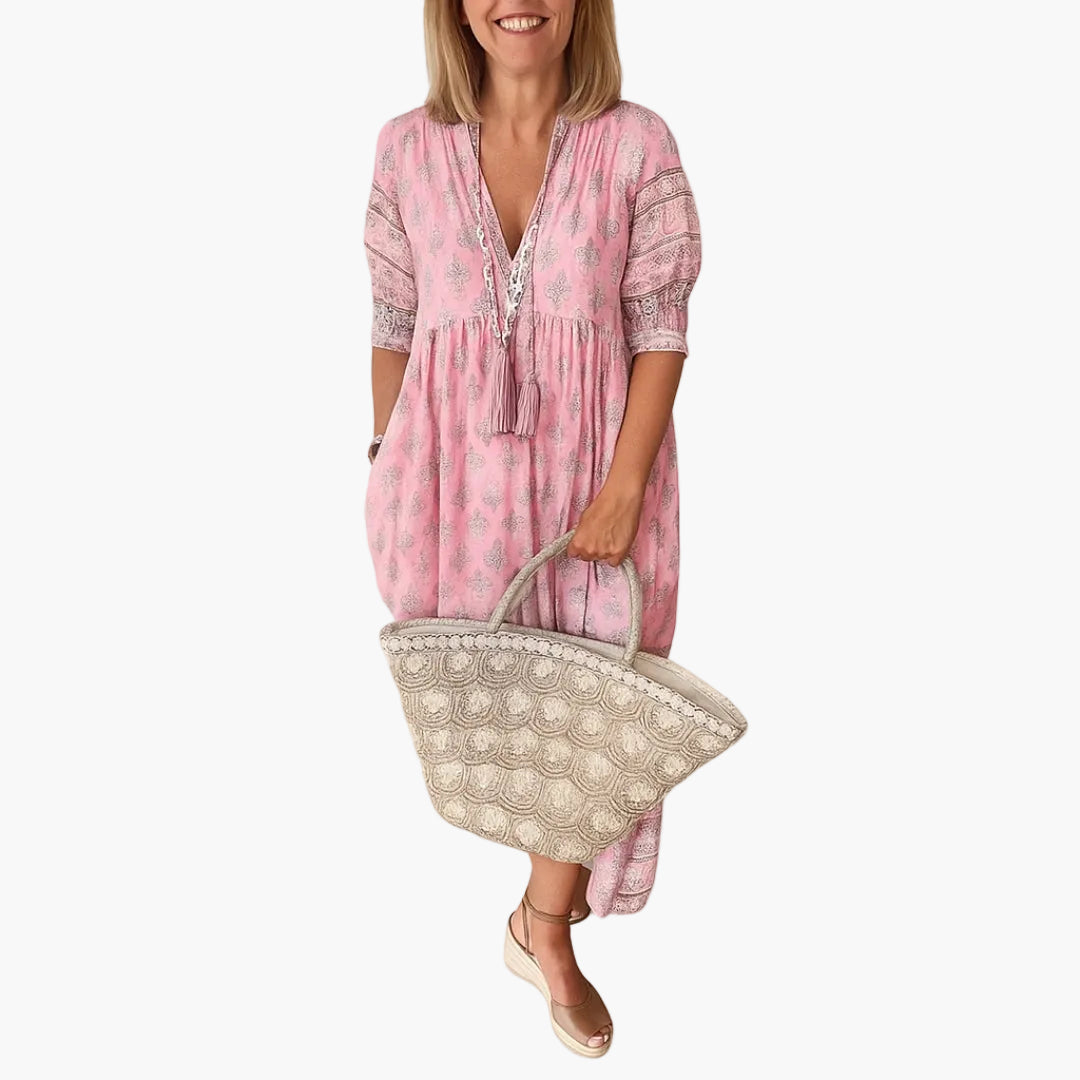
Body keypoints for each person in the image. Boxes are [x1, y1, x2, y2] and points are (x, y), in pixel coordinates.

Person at [363, 0, 702, 1057]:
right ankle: (542, 915)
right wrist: (387, 457)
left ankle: (544, 926)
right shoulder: (405, 150)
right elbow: (393, 320)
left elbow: (660, 328)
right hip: (450, 480)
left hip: (599, 470)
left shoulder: (637, 144)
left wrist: (625, 484)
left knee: (599, 696)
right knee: (500, 701)